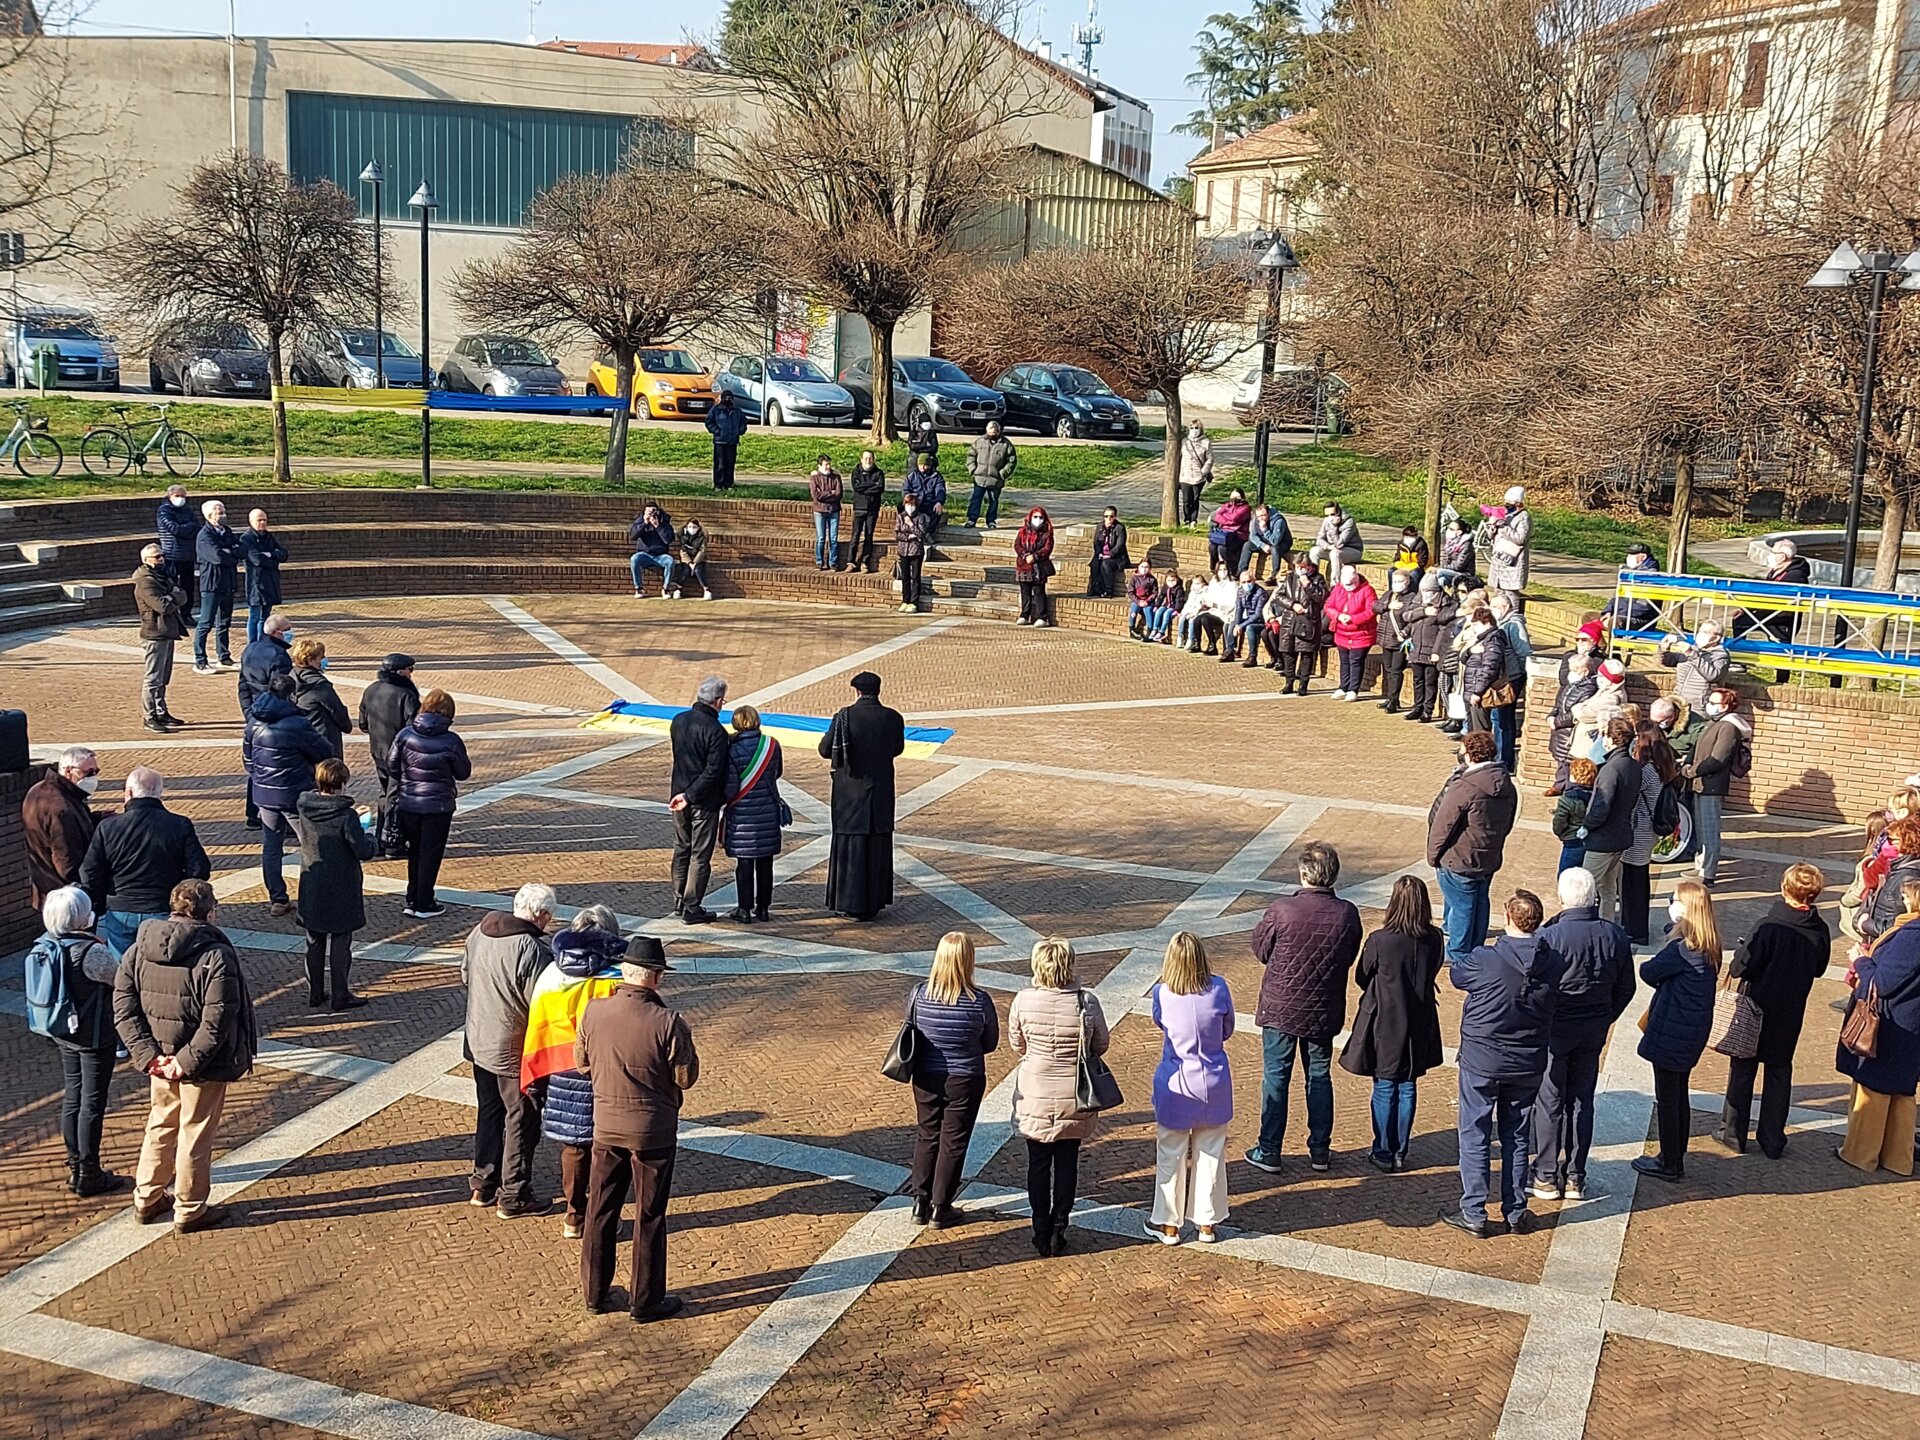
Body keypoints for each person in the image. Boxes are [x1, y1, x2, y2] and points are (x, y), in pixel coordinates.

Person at [113, 877, 258, 1233]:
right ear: (210, 911)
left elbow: (124, 1007)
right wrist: (187, 1061)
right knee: (195, 1132)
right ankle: (190, 1208)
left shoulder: (138, 948)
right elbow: (218, 1018)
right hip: (201, 1065)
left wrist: (148, 1055)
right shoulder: (215, 955)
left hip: (158, 1061)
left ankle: (147, 1197)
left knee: (160, 1124)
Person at [577, 934, 699, 1320]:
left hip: (607, 1127)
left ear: (624, 973)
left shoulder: (593, 1011)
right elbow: (685, 1077)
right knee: (650, 1214)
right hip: (653, 1131)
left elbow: (582, 1063)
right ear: (657, 977)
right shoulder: (668, 1022)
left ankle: (595, 1293)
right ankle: (645, 1300)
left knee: (600, 1209)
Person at [1441, 889, 1565, 1237]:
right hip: (1527, 1061)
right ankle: (1514, 1209)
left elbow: (1457, 974)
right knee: (1517, 1133)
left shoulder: (1487, 959)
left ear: (1508, 919)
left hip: (1483, 1059)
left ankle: (1475, 1211)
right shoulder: (1552, 962)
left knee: (1475, 1132)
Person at [1246, 841, 1363, 1174]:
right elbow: (1349, 955)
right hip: (1323, 1008)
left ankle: (1269, 1149)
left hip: (1281, 1008)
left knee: (1276, 1078)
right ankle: (1320, 1150)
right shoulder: (1347, 914)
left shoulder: (1282, 910)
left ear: (1303, 874)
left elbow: (1261, 949)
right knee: (1319, 1076)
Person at [1528, 867, 1633, 1201]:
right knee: (1581, 1101)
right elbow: (1626, 988)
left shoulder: (1550, 937)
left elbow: (1535, 988)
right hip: (1592, 1029)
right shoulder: (1614, 935)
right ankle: (1575, 1175)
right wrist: (1605, 1016)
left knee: (1550, 1101)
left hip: (1556, 1030)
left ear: (1562, 898)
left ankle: (1546, 1174)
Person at [522, 907, 626, 1241]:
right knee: (607, 1146)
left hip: (560, 1068)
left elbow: (536, 1023)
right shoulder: (617, 979)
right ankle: (601, 1214)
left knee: (573, 1145)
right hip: (604, 1069)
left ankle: (574, 1214)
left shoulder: (551, 975)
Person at [1715, 864, 1830, 1158]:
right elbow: (1819, 969)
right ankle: (1772, 1139)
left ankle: (1733, 1133)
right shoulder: (1820, 930)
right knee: (1779, 1072)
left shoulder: (1767, 926)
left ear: (1784, 888)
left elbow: (1742, 967)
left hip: (1756, 1006)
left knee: (1743, 1068)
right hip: (1790, 1011)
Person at [1009, 937, 1110, 1257]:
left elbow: (1017, 1044)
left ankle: (1040, 1229)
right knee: (1067, 1162)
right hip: (1074, 1094)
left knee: (1037, 1164)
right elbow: (1100, 1045)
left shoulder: (1023, 1000)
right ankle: (1059, 1227)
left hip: (1034, 1093)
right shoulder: (1086, 1001)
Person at [1340, 876, 1445, 1173]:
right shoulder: (1434, 938)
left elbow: (1362, 976)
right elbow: (1435, 968)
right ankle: (1401, 1150)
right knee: (1408, 1085)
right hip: (1420, 1020)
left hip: (1385, 1021)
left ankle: (1383, 1150)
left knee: (1385, 1085)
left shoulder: (1380, 940)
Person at [29, 886, 127, 1196]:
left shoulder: (46, 945)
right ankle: (90, 1172)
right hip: (94, 1035)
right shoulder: (91, 952)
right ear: (81, 917)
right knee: (92, 1103)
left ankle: (75, 1165)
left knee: (73, 1096)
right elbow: (122, 979)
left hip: (63, 1031)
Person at [464, 881, 555, 1216]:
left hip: (478, 1042)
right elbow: (541, 1003)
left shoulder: (479, 932)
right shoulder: (530, 949)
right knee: (521, 1117)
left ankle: (483, 1184)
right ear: (541, 915)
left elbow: (464, 976)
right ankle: (514, 1193)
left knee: (489, 1111)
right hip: (513, 1052)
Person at [905, 931, 1000, 1227]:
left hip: (925, 1074)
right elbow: (990, 1042)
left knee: (927, 1133)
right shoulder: (979, 1001)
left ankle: (919, 1200)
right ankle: (941, 1205)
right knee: (954, 1140)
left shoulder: (919, 994)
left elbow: (911, 1028)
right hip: (965, 1076)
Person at [1147, 931, 1234, 1245]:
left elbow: (1161, 1024)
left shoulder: (1162, 993)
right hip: (1213, 1080)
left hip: (1177, 1081)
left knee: (1170, 1153)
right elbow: (1228, 1029)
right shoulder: (1219, 988)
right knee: (1210, 1154)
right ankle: (1207, 1223)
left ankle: (1169, 1224)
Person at [1632, 879, 1720, 1181]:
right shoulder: (1710, 946)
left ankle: (1670, 1161)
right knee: (1679, 1094)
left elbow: (1648, 971)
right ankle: (1674, 1153)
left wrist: (1668, 940)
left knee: (1668, 1098)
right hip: (1692, 1032)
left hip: (1673, 1033)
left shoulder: (1682, 950)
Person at [1835, 878, 1920, 1176]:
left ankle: (1861, 1154)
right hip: (1912, 1025)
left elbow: (1881, 983)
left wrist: (1860, 961)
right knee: (1902, 1094)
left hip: (1892, 1023)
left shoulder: (1913, 935)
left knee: (1873, 1089)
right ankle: (1898, 1159)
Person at [79, 767, 211, 957]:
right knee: (160, 964)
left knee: (121, 968)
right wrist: (176, 892)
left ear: (129, 793)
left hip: (120, 911)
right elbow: (199, 870)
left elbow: (90, 871)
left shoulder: (108, 828)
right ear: (159, 793)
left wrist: (100, 902)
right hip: (161, 908)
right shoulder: (179, 825)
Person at [1427, 730, 1520, 969]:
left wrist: (1433, 854)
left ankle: (1457, 952)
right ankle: (1475, 944)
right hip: (1488, 854)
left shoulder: (1465, 786)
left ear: (1470, 755)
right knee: (1479, 900)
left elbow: (1443, 823)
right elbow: (1508, 820)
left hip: (1460, 856)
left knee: (1462, 905)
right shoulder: (1506, 784)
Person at [820, 671, 905, 920]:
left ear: (856, 692)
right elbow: (897, 748)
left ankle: (850, 903)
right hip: (880, 793)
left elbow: (825, 749)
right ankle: (873, 902)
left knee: (851, 848)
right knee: (876, 848)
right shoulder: (892, 717)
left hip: (849, 795)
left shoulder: (844, 717)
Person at [247, 672, 330, 920]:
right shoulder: (296, 723)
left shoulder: (253, 719)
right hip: (295, 793)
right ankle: (313, 896)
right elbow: (323, 751)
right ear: (291, 694)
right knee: (310, 844)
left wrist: (260, 778)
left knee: (271, 847)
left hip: (264, 794)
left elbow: (247, 757)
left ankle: (277, 898)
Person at [293, 757, 374, 1011]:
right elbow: (361, 850)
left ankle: (314, 992)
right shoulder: (345, 816)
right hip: (341, 883)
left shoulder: (306, 807)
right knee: (341, 940)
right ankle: (341, 994)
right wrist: (368, 835)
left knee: (314, 939)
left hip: (313, 881)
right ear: (341, 784)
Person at [389, 688, 471, 918]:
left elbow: (392, 764)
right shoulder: (451, 740)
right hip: (438, 805)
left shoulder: (405, 735)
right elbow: (463, 772)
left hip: (409, 801)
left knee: (415, 851)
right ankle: (424, 902)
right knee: (431, 854)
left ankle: (412, 897)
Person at [668, 676, 730, 925]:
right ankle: (692, 906)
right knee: (699, 855)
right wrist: (691, 795)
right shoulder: (716, 731)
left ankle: (679, 900)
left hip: (677, 796)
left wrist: (682, 795)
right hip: (702, 801)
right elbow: (713, 772)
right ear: (717, 701)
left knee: (681, 848)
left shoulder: (678, 721)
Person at [722, 704, 785, 923]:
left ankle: (744, 909)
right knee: (766, 863)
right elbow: (777, 773)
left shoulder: (732, 750)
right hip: (768, 809)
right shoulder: (772, 745)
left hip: (742, 815)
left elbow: (730, 788)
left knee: (745, 864)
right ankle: (764, 908)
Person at [1683, 687, 1750, 886]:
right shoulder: (1713, 723)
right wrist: (1687, 763)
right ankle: (1700, 865)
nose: (1709, 706)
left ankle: (1708, 872)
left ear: (1727, 706)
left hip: (1712, 785)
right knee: (1701, 828)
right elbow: (1696, 747)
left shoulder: (1728, 727)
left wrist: (1691, 770)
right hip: (1699, 783)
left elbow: (1719, 758)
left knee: (1710, 829)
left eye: (1714, 703)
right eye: (1709, 701)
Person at [1580, 716, 1643, 922]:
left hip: (1603, 839)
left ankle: (1582, 929)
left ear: (1610, 738)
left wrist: (1587, 825)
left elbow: (1601, 805)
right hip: (1621, 835)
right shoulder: (1633, 766)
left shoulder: (1610, 769)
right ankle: (1608, 925)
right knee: (1608, 888)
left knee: (1584, 887)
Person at [1622, 724, 1681, 946]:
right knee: (1639, 880)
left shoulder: (1647, 771)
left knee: (1632, 883)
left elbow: (1631, 796)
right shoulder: (1664, 765)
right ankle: (1635, 927)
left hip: (1640, 832)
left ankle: (1635, 930)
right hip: (1649, 832)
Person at [359, 652, 420, 861]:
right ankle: (392, 841)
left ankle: (381, 837)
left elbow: (363, 723)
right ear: (401, 671)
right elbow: (414, 727)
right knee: (395, 796)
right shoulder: (406, 695)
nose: (412, 674)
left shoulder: (371, 690)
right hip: (399, 754)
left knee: (387, 793)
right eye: (410, 670)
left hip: (378, 751)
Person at [25, 746, 102, 910]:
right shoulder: (61, 809)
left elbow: (73, 827)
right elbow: (67, 864)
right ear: (68, 771)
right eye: (88, 773)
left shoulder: (40, 790)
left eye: (96, 771)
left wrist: (98, 819)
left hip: (48, 892)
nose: (93, 777)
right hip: (65, 899)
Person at [237, 611, 294, 829]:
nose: (291, 633)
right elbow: (283, 690)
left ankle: (253, 813)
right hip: (273, 717)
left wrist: (248, 713)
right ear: (277, 633)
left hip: (254, 714)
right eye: (288, 629)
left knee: (257, 765)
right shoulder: (279, 657)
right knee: (276, 765)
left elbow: (242, 684)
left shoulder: (250, 649)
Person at [133, 543, 188, 733]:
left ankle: (161, 710)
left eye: (162, 556)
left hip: (167, 631)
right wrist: (173, 597)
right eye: (157, 557)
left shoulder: (162, 577)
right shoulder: (146, 582)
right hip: (154, 634)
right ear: (146, 560)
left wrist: (172, 597)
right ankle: (149, 717)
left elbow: (183, 595)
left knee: (164, 676)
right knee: (153, 678)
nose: (161, 559)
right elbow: (162, 606)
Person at [190, 499, 244, 675]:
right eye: (220, 512)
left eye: (224, 511)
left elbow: (241, 551)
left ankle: (224, 657)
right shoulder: (204, 536)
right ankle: (200, 660)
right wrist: (229, 553)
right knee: (206, 623)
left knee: (224, 622)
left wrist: (230, 552)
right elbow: (218, 558)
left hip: (228, 583)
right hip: (212, 585)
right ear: (209, 516)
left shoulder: (226, 532)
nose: (224, 515)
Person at [1265, 556, 1326, 694]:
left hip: (1308, 622)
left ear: (1309, 566)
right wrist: (1292, 605)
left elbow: (1321, 597)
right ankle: (1289, 682)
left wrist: (1308, 585)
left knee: (1306, 654)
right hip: (1290, 621)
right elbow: (1279, 596)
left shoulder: (1318, 579)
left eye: (1303, 567)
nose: (1300, 569)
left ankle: (1303, 684)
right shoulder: (1290, 578)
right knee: (1288, 653)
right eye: (1298, 566)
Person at [1406, 572, 1457, 724]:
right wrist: (1423, 611)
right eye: (1424, 591)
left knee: (1430, 681)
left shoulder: (1446, 604)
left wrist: (1436, 652)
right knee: (1418, 680)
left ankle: (1427, 710)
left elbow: (1443, 631)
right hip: (1416, 648)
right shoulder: (1417, 600)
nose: (1426, 595)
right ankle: (1417, 707)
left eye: (1429, 592)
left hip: (1431, 649)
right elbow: (1406, 616)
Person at [290, 636, 352, 760]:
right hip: (324, 738)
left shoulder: (291, 678)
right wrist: (346, 724)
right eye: (321, 658)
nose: (323, 660)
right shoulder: (320, 685)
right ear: (311, 660)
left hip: (300, 737)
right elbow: (336, 710)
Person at [1456, 606, 1510, 746]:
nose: (1473, 628)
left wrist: (1477, 692)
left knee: (1481, 732)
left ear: (1485, 623)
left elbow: (1489, 669)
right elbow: (1463, 658)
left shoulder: (1493, 641)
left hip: (1479, 692)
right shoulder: (1480, 639)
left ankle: (1481, 757)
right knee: (1473, 730)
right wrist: (1470, 651)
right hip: (1471, 690)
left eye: (1475, 625)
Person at [1324, 564, 1378, 700]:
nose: (1349, 587)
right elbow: (1329, 606)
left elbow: (1371, 611)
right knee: (1344, 661)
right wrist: (1337, 615)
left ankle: (1354, 689)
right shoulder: (1338, 589)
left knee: (1356, 661)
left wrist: (1354, 619)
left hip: (1361, 634)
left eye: (1352, 584)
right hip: (1341, 632)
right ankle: (1343, 686)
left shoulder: (1367, 590)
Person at [1547, 652, 1599, 793]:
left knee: (1570, 766)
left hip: (1570, 733)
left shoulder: (1589, 689)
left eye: (1575, 670)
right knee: (1561, 763)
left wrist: (1557, 722)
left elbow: (1577, 713)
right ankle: (1559, 786)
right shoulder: (1572, 684)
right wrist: (1552, 714)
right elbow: (1560, 702)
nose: (1571, 673)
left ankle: (1567, 793)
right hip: (1560, 733)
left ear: (1585, 671)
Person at [1489, 592, 1530, 769]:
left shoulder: (1514, 625)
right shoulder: (1502, 624)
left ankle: (1505, 760)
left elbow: (1524, 652)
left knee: (1504, 720)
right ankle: (1499, 756)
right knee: (1498, 719)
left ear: (1504, 608)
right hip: (1505, 676)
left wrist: (1518, 676)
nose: (1492, 610)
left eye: (1494, 607)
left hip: (1511, 678)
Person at [239, 507, 287, 645]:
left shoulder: (269, 537)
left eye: (264, 520)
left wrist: (270, 555)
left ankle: (263, 642)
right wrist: (272, 557)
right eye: (259, 520)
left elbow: (283, 554)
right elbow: (256, 559)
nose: (262, 523)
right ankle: (253, 644)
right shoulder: (247, 539)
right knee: (255, 616)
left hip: (270, 581)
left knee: (265, 617)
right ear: (251, 521)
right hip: (256, 582)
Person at [1376, 569, 1419, 714]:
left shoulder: (1411, 597)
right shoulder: (1389, 595)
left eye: (1400, 581)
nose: (1396, 584)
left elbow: (1411, 618)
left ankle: (1394, 700)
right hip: (1385, 637)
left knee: (1396, 670)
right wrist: (1387, 606)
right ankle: (1390, 697)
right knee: (1387, 669)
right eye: (1394, 581)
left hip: (1399, 640)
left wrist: (1403, 633)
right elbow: (1375, 607)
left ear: (1407, 582)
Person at [1658, 622, 1729, 708]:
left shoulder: (1721, 655)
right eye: (1700, 631)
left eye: (1705, 632)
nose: (1700, 634)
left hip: (1698, 707)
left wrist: (1692, 655)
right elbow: (1668, 661)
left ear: (1716, 637)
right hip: (1678, 702)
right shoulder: (1693, 649)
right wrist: (1663, 650)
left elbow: (1713, 675)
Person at [965, 419, 1017, 528]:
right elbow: (971, 456)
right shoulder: (979, 442)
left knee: (993, 501)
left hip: (995, 479)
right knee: (976, 499)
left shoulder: (1006, 444)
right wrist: (973, 469)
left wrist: (1002, 474)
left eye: (994, 433)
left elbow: (1011, 461)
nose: (992, 434)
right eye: (990, 432)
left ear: (998, 432)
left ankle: (991, 521)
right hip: (979, 478)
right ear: (986, 431)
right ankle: (971, 519)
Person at [1487, 485, 1531, 610]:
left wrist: (1504, 526)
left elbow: (1520, 539)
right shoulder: (1506, 514)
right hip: (1499, 559)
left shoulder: (1524, 517)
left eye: (1510, 503)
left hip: (1512, 561)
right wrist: (1492, 527)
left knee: (1510, 593)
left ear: (1518, 503)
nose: (1506, 505)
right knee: (1499, 591)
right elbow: (1491, 536)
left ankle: (1513, 617)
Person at [155, 483, 201, 599]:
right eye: (177, 495)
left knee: (188, 587)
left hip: (188, 555)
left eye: (183, 496)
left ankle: (186, 614)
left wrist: (185, 528)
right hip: (172, 555)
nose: (181, 499)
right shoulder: (164, 511)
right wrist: (188, 528)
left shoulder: (187, 510)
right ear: (170, 496)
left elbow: (197, 526)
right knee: (172, 586)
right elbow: (174, 529)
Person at [1553, 758, 1597, 873]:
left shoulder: (1567, 798)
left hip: (1572, 840)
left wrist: (1560, 833)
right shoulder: (1597, 796)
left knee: (1566, 874)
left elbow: (1559, 822)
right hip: (1591, 841)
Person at [1013, 505, 1055, 627]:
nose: (1037, 520)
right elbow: (1017, 545)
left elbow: (1047, 549)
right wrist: (1025, 555)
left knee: (1038, 591)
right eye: (1035, 517)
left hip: (1038, 567)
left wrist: (1035, 556)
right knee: (1025, 591)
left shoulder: (1047, 534)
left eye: (1040, 517)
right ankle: (1024, 614)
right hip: (1023, 566)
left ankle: (1043, 617)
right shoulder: (1022, 532)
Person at [846, 449, 886, 573]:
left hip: (872, 509)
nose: (868, 460)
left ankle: (864, 562)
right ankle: (850, 561)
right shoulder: (855, 472)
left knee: (869, 536)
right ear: (861, 459)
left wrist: (865, 486)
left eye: (870, 458)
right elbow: (857, 487)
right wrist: (871, 485)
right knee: (855, 536)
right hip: (859, 508)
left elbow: (880, 488)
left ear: (873, 460)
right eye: (866, 458)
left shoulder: (879, 473)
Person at [1609, 543, 1661, 633]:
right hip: (1622, 613)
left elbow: (1644, 606)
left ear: (1643, 557)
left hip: (1641, 620)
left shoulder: (1652, 577)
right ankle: (1599, 646)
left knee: (1615, 622)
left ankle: (1613, 647)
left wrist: (1618, 613)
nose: (1629, 557)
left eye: (1633, 554)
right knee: (1590, 617)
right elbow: (1617, 595)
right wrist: (1608, 611)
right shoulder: (1627, 572)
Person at [628, 505, 676, 598]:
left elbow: (668, 540)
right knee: (634, 559)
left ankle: (666, 589)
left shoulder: (664, 522)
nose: (651, 514)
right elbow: (633, 536)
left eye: (653, 511)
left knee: (670, 561)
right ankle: (639, 589)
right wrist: (644, 523)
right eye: (648, 512)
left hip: (661, 555)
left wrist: (658, 526)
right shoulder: (639, 521)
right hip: (644, 554)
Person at [895, 493, 932, 613]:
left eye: (912, 505)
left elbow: (921, 534)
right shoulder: (901, 517)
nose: (909, 507)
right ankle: (905, 600)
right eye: (907, 504)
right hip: (903, 550)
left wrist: (911, 525)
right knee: (905, 577)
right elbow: (897, 533)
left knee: (915, 577)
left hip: (916, 551)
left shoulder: (920, 517)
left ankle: (914, 602)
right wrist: (908, 536)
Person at [1224, 568, 1267, 667]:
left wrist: (1241, 625)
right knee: (1231, 624)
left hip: (1260, 621)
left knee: (1250, 628)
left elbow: (1258, 614)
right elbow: (1239, 609)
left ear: (1254, 581)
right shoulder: (1240, 591)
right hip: (1249, 619)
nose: (1246, 584)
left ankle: (1252, 657)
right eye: (1243, 582)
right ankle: (1230, 651)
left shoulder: (1261, 593)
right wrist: (1238, 624)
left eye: (1249, 581)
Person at [704, 388, 746, 490]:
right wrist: (716, 431)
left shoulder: (737, 411)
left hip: (732, 441)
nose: (728, 400)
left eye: (730, 398)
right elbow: (709, 421)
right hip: (720, 441)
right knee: (720, 464)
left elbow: (743, 422)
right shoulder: (716, 410)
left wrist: (739, 431)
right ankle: (718, 484)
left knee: (730, 464)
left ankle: (728, 484)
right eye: (726, 398)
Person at [808, 452, 843, 570]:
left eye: (829, 464)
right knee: (821, 538)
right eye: (826, 465)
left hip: (834, 510)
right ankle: (820, 561)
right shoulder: (814, 478)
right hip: (819, 511)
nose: (828, 467)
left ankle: (833, 562)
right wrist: (830, 493)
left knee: (833, 538)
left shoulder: (836, 477)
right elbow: (816, 495)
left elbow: (838, 494)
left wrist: (825, 495)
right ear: (819, 465)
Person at [1086, 506, 1130, 598]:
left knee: (1106, 564)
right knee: (1095, 564)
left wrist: (1110, 555)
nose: (1108, 519)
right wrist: (1099, 553)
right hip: (1102, 554)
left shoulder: (1120, 528)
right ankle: (1094, 588)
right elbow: (1096, 542)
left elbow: (1120, 545)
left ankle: (1108, 590)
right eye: (1106, 516)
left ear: (1115, 517)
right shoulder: (1100, 527)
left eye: (1111, 516)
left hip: (1117, 558)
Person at [1208, 488, 1252, 577]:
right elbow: (1217, 515)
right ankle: (1214, 568)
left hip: (1238, 535)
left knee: (1222, 549)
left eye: (1237, 496)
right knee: (1212, 547)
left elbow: (1235, 518)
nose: (1234, 498)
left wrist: (1225, 518)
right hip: (1224, 533)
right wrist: (1228, 520)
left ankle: (1233, 569)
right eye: (1232, 495)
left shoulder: (1245, 508)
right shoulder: (1227, 505)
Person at [1309, 502, 1362, 574]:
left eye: (1332, 514)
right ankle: (1313, 577)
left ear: (1338, 512)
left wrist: (1333, 527)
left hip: (1353, 551)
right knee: (1314, 551)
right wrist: (1327, 546)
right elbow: (1319, 539)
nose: (1330, 518)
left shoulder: (1349, 522)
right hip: (1332, 549)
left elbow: (1339, 543)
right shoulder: (1327, 520)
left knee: (1335, 553)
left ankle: (1335, 583)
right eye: (1327, 515)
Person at [1176, 420, 1212, 526]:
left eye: (1196, 428)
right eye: (1192, 428)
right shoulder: (1184, 442)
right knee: (1186, 500)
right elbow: (1179, 458)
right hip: (1185, 476)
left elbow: (1210, 459)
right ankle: (1187, 518)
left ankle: (1193, 519)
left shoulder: (1206, 442)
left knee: (1195, 499)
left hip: (1198, 477)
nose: (1194, 430)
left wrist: (1203, 471)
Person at [1650, 696, 1705, 764]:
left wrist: (1688, 759)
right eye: (1653, 721)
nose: (1656, 725)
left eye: (1659, 722)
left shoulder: (1696, 727)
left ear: (1672, 717)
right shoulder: (1660, 721)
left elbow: (1702, 752)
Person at [904, 452, 947, 536]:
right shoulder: (912, 476)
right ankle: (907, 531)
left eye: (925, 465)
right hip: (915, 502)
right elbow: (906, 489)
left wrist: (939, 502)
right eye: (920, 465)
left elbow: (940, 490)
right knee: (902, 507)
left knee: (937, 512)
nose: (923, 468)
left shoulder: (936, 477)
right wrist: (908, 498)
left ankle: (928, 533)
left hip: (929, 502)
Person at [1246, 503, 1293, 581]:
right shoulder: (1256, 519)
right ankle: (1242, 570)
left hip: (1282, 543)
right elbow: (1252, 536)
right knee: (1247, 545)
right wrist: (1262, 545)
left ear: (1268, 513)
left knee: (1274, 549)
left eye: (1263, 515)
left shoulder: (1279, 521)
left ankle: (1274, 575)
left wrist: (1264, 529)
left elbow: (1275, 541)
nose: (1261, 518)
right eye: (1259, 516)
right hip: (1265, 542)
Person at [670, 517, 712, 600]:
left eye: (694, 527)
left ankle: (706, 590)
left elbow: (702, 551)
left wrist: (695, 562)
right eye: (690, 527)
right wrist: (689, 563)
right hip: (687, 560)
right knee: (685, 570)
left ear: (698, 528)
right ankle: (678, 588)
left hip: (699, 560)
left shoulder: (702, 537)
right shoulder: (683, 537)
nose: (692, 529)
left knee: (698, 570)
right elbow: (683, 551)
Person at [1150, 567, 1186, 644]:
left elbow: (1179, 600)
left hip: (1173, 606)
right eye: (1169, 580)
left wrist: (1177, 610)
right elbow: (1161, 596)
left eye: (1173, 580)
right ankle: (1154, 629)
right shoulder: (1166, 587)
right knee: (1159, 612)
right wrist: (1157, 605)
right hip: (1166, 604)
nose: (1171, 582)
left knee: (1166, 614)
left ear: (1176, 580)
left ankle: (1162, 631)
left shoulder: (1179, 589)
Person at [1126, 560, 1160, 640]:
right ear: (1138, 567)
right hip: (1137, 600)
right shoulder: (1134, 578)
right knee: (1134, 610)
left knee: (1148, 611)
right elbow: (1130, 592)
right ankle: (1132, 629)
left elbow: (1154, 593)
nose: (1144, 569)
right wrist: (1138, 601)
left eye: (1146, 567)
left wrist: (1147, 601)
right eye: (1142, 567)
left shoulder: (1152, 579)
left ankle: (1150, 631)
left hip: (1147, 601)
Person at [1175, 571, 1209, 652]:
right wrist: (1184, 612)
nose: (1196, 586)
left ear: (1203, 583)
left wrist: (1194, 613)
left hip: (1200, 611)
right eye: (1194, 583)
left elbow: (1202, 606)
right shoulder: (1192, 592)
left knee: (1191, 621)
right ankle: (1180, 637)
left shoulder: (1206, 591)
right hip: (1190, 610)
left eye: (1198, 583)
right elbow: (1188, 603)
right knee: (1182, 618)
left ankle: (1191, 639)